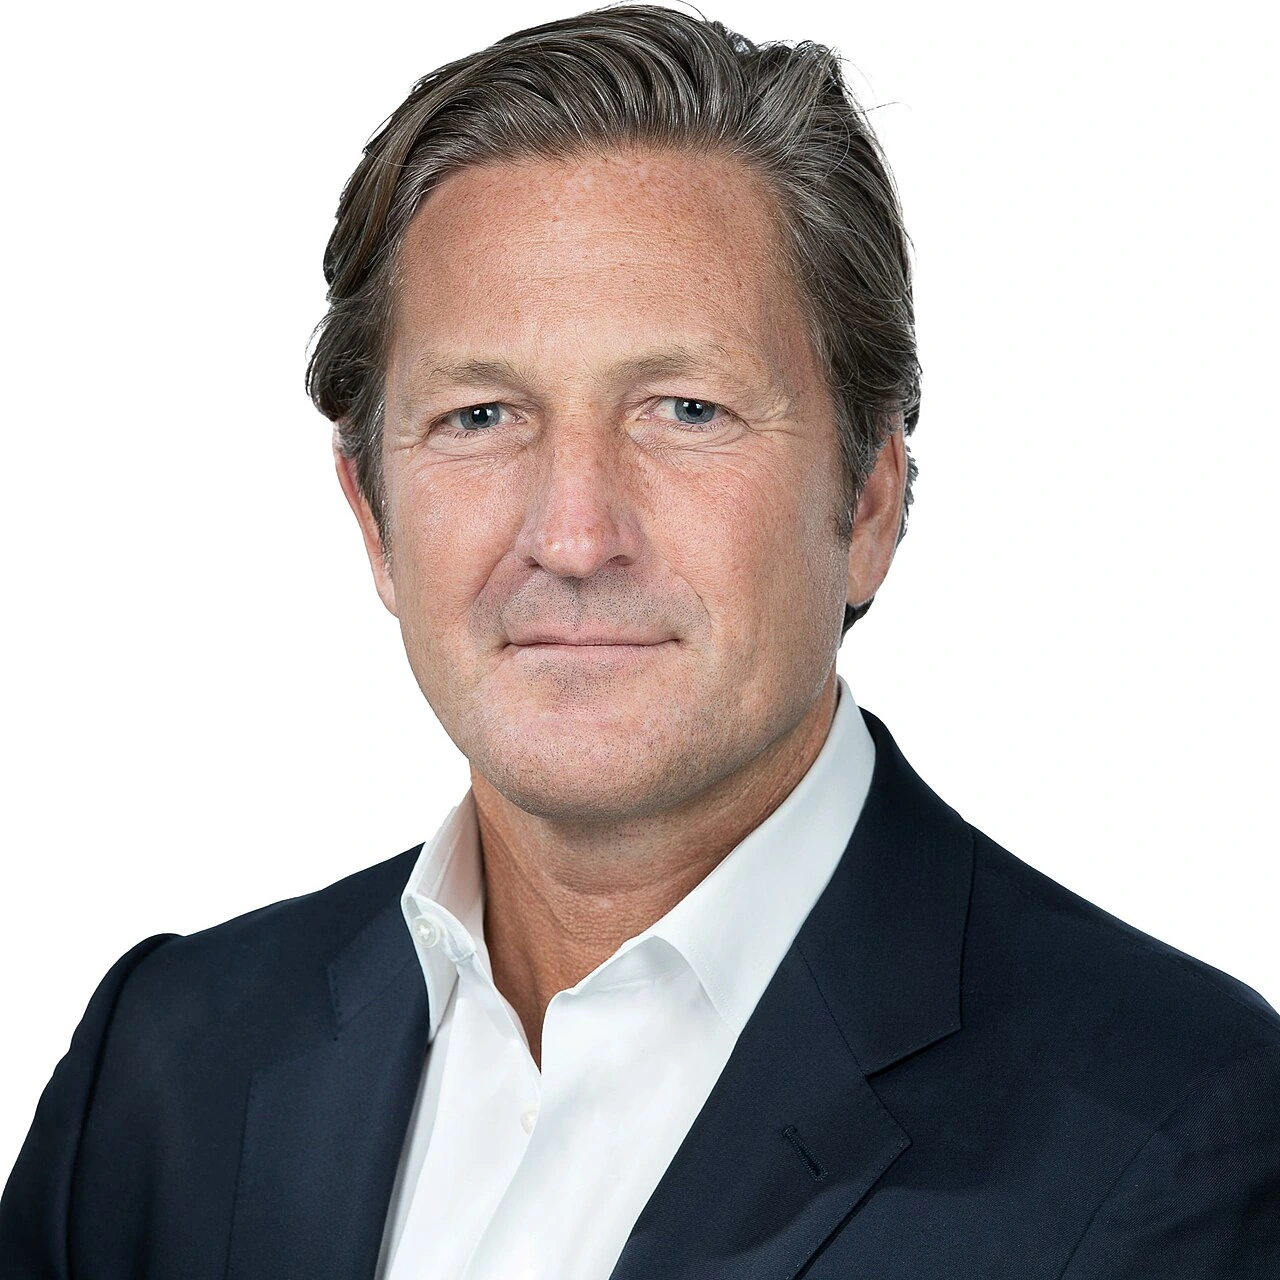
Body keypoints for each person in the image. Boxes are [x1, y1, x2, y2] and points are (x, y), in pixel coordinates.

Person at [2, 4, 1277, 1276]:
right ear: (372, 517)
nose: (571, 534)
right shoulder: (162, 1070)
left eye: (685, 408)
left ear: (870, 500)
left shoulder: (1172, 1127)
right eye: (480, 414)